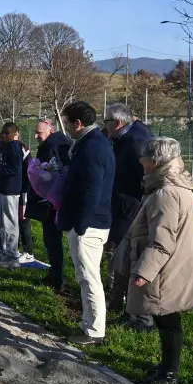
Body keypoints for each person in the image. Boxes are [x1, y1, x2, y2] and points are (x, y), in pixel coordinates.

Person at [110, 137, 193, 384]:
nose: (140, 162)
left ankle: (169, 371)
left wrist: (143, 273)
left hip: (166, 269)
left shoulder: (164, 194)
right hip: (177, 263)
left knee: (167, 319)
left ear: (155, 162)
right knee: (166, 318)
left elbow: (161, 241)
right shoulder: (176, 187)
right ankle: (167, 366)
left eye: (143, 158)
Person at [58, 101, 116, 346]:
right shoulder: (92, 143)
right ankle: (88, 322)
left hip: (89, 225)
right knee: (85, 276)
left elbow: (92, 190)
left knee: (89, 277)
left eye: (68, 122)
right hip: (90, 221)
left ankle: (94, 330)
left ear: (78, 123)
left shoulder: (93, 147)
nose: (67, 127)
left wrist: (80, 226)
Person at [29, 118, 72, 292]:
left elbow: (52, 173)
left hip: (51, 200)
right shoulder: (62, 143)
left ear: (50, 131)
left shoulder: (51, 147)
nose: (36, 136)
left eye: (39, 133)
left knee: (52, 239)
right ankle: (55, 273)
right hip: (54, 198)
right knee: (52, 240)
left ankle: (57, 277)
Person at [104, 102, 153, 249]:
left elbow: (144, 173)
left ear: (117, 122)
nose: (104, 126)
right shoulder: (128, 136)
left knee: (123, 248)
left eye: (106, 121)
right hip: (125, 203)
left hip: (128, 205)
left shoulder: (134, 142)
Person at [0, 123, 25, 269]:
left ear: (15, 134)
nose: (4, 136)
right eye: (3, 133)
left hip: (11, 190)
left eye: (7, 133)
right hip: (2, 188)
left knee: (10, 223)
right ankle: (4, 251)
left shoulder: (15, 147)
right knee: (2, 223)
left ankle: (12, 255)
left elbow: (14, 169)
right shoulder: (4, 146)